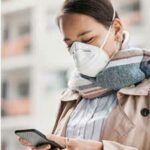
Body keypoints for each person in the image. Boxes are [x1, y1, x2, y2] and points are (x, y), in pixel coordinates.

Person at [19, 0, 150, 149]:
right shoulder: (70, 96)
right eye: (70, 45)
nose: (79, 53)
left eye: (88, 39)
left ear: (117, 30)